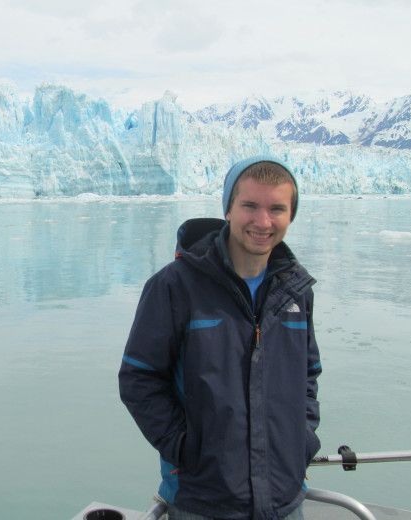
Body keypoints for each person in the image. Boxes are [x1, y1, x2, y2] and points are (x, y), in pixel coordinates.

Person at [119, 155, 322, 520]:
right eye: (250, 206)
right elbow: (138, 378)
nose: (263, 221)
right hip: (204, 500)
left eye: (277, 208)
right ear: (228, 208)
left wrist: (301, 441)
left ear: (291, 214)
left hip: (284, 498)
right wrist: (184, 448)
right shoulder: (175, 287)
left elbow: (308, 374)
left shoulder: (296, 290)